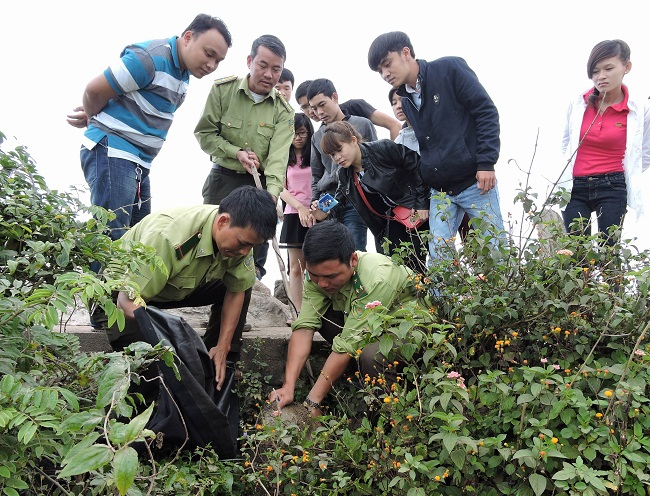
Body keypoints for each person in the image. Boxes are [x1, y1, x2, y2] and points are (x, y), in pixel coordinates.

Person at [67, 14, 232, 242]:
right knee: (111, 238)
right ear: (188, 37)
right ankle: (96, 279)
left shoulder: (184, 73)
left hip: (139, 162)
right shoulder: (150, 58)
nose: (211, 65)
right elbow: (95, 91)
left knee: (138, 240)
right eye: (208, 53)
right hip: (114, 152)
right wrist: (95, 116)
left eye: (218, 61)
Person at [107, 186, 278, 391]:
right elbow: (127, 300)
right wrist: (173, 336)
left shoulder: (239, 240)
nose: (245, 252)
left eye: (251, 246)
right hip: (118, 298)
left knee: (244, 284)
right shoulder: (168, 236)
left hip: (169, 289)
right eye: (242, 243)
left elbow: (236, 290)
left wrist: (224, 346)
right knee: (150, 372)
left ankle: (218, 362)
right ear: (223, 221)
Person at [268, 221, 430, 417]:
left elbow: (348, 343)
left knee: (371, 355)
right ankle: (354, 374)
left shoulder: (376, 277)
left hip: (409, 330)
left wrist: (312, 401)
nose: (322, 283)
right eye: (314, 275)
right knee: (322, 316)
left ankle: (388, 421)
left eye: (331, 276)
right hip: (368, 326)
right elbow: (304, 328)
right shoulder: (318, 278)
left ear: (353, 259)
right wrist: (288, 386)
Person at [368, 31, 505, 260]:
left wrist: (487, 162)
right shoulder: (407, 100)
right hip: (440, 190)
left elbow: (486, 112)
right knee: (440, 258)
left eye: (387, 64)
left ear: (406, 53)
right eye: (380, 71)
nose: (385, 74)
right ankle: (442, 298)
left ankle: (512, 296)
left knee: (496, 250)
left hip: (475, 181)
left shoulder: (449, 69)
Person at [194, 34, 295, 281]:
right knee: (213, 242)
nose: (269, 75)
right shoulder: (222, 90)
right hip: (223, 180)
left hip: (258, 185)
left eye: (276, 70)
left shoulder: (283, 111)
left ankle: (242, 312)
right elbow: (205, 135)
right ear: (250, 61)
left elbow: (277, 161)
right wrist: (235, 152)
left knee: (251, 254)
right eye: (263, 65)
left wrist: (270, 198)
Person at [559, 39, 649, 243]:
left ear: (626, 67)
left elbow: (645, 152)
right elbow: (566, 143)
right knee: (575, 252)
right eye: (595, 71)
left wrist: (626, 174)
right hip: (575, 186)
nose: (601, 76)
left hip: (613, 185)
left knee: (608, 250)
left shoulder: (639, 109)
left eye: (608, 68)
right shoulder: (577, 103)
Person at [316, 121, 429, 271]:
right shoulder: (344, 174)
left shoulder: (382, 148)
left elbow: (417, 165)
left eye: (339, 149)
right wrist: (322, 213)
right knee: (397, 271)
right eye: (332, 155)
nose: (337, 157)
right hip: (389, 226)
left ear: (353, 140)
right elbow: (339, 203)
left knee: (427, 262)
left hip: (416, 212)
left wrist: (421, 202)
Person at [389, 88, 471, 242]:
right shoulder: (398, 143)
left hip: (456, 188)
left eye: (401, 100)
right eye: (394, 103)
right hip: (425, 205)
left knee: (473, 240)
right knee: (439, 247)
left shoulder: (434, 128)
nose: (398, 106)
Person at [308, 78, 378, 251]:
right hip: (328, 199)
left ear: (335, 97)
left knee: (354, 252)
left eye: (322, 104)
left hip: (355, 197)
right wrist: (315, 202)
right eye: (314, 108)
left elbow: (375, 162)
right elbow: (316, 175)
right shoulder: (317, 137)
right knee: (331, 253)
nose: (319, 112)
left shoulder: (362, 124)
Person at [279, 113, 315, 313]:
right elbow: (281, 189)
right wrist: (300, 207)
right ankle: (297, 312)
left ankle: (316, 309)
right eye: (294, 133)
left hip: (316, 214)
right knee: (295, 268)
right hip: (294, 214)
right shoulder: (284, 156)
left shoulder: (317, 155)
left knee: (316, 265)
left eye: (302, 133)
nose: (298, 137)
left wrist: (311, 209)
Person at [295, 80, 402, 139]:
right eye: (305, 107)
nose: (312, 111)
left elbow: (394, 125)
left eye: (321, 104)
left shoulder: (354, 106)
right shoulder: (319, 135)